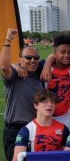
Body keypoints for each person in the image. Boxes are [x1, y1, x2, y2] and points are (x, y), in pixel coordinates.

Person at [0, 28, 43, 161]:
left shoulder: (39, 79)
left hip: (35, 130)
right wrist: (8, 40)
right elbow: (4, 66)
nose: (32, 60)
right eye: (28, 57)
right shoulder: (14, 75)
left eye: (36, 58)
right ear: (20, 60)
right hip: (15, 130)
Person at [12, 89, 69, 161]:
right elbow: (17, 159)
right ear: (36, 105)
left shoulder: (63, 129)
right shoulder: (27, 130)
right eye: (45, 102)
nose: (50, 105)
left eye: (52, 102)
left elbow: (68, 156)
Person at [42, 34, 70, 130]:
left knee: (67, 143)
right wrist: (47, 64)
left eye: (69, 52)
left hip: (65, 116)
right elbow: (24, 64)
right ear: (55, 53)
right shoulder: (42, 66)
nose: (66, 55)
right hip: (45, 115)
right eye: (62, 52)